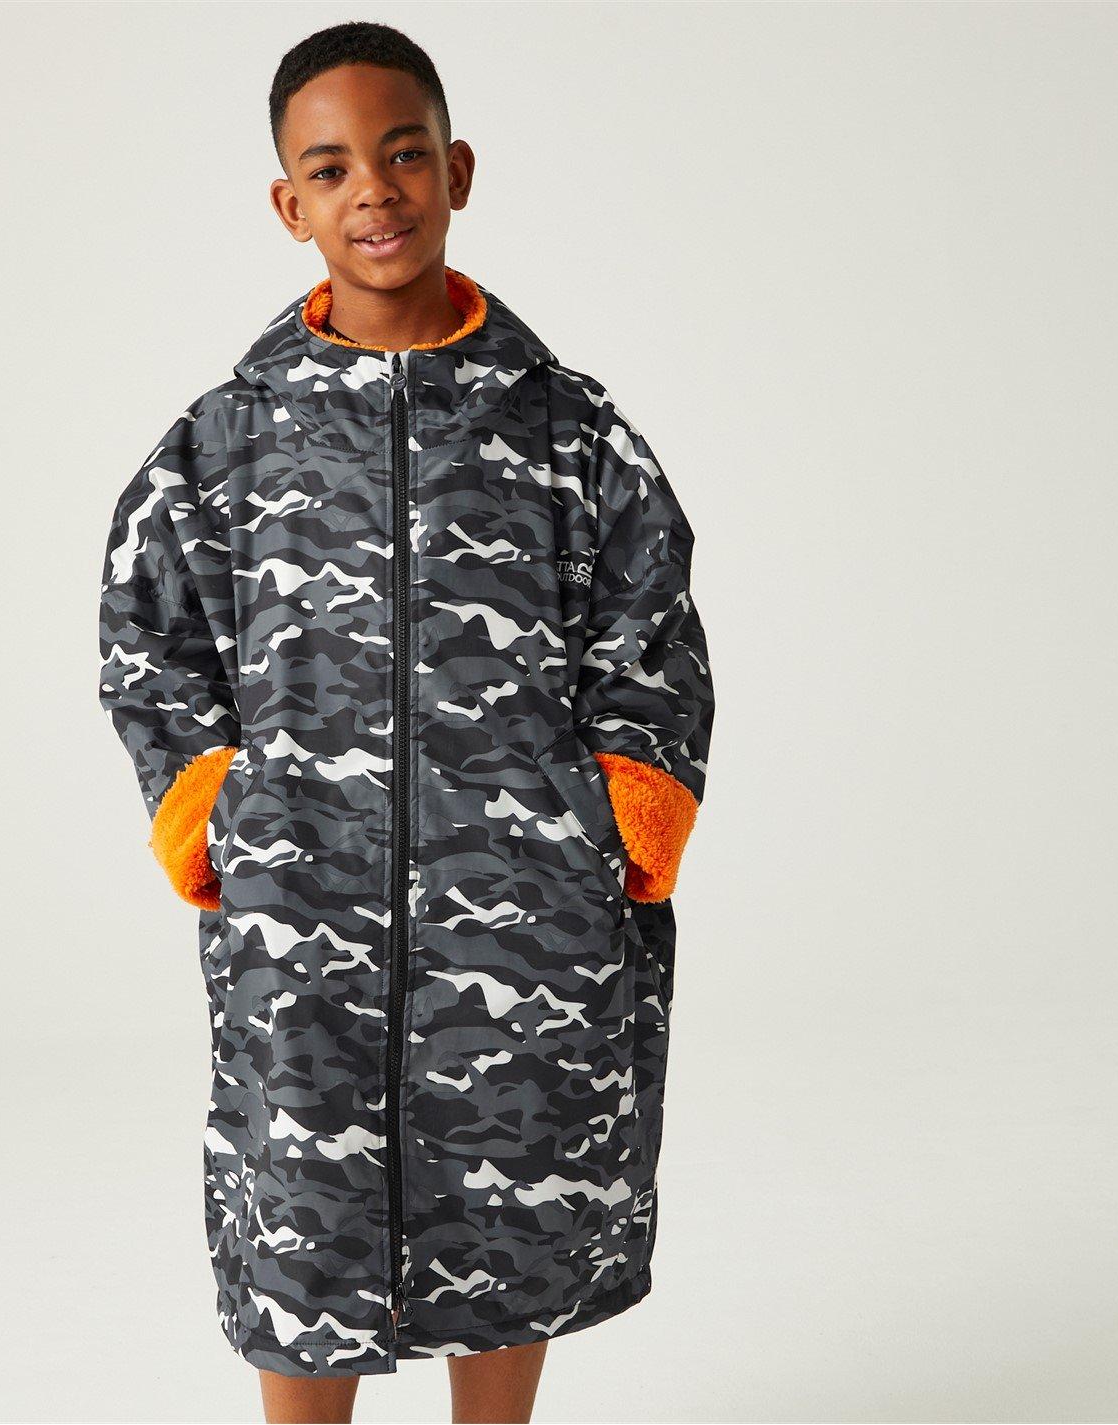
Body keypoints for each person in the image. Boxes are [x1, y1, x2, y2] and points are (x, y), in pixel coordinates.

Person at [96, 20, 715, 1425]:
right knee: (299, 1205)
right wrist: (206, 804)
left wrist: (624, 809)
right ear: (290, 204)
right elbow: (149, 630)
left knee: (521, 1192)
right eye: (331, 169)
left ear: (457, 170)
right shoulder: (226, 443)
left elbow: (652, 626)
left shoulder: (566, 433)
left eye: (403, 154)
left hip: (529, 907)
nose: (373, 189)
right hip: (300, 902)